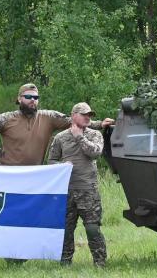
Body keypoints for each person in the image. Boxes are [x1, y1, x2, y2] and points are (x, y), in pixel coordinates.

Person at [0, 83, 113, 166]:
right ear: (19, 99)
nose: (33, 100)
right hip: (9, 174)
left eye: (36, 98)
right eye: (28, 97)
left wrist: (100, 124)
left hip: (36, 174)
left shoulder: (48, 117)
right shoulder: (5, 118)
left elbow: (75, 121)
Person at [48, 102, 107, 267]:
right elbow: (51, 160)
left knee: (92, 228)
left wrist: (79, 136)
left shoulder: (95, 134)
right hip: (66, 191)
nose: (88, 117)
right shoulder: (60, 138)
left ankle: (100, 263)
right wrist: (61, 166)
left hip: (88, 190)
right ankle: (65, 263)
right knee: (66, 229)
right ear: (73, 115)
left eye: (90, 115)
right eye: (84, 114)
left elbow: (95, 153)